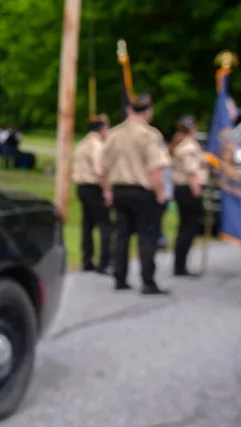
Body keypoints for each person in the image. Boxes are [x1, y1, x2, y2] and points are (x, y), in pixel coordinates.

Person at [101, 93, 171, 295]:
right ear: (148, 112)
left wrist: (107, 190)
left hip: (119, 190)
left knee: (122, 235)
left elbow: (103, 168)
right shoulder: (150, 135)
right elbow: (155, 169)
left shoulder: (114, 133)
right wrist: (160, 193)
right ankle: (148, 281)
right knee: (147, 236)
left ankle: (120, 277)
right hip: (142, 191)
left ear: (129, 110)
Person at [72, 114, 112, 273]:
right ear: (102, 128)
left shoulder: (81, 143)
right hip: (95, 188)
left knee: (87, 224)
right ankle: (104, 262)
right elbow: (100, 171)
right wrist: (107, 191)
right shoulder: (97, 146)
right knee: (105, 225)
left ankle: (87, 259)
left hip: (82, 187)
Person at [168, 116, 206, 276]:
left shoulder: (181, 144)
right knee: (188, 228)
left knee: (185, 227)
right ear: (192, 129)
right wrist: (197, 191)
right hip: (189, 189)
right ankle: (180, 266)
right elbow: (191, 172)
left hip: (182, 189)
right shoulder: (189, 147)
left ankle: (180, 265)